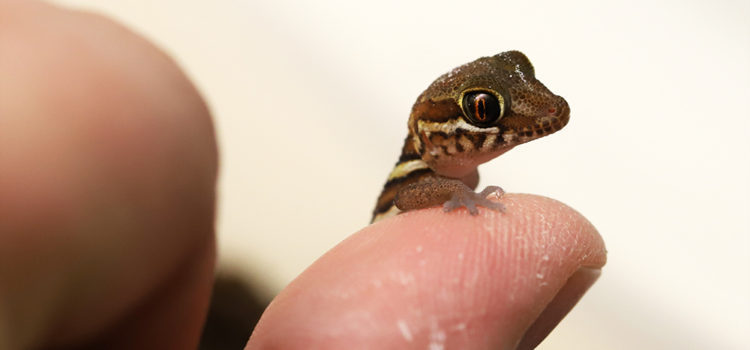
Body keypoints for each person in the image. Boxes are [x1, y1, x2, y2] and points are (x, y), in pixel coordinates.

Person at [0, 1, 607, 349]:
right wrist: (456, 195)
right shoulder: (424, 184)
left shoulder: (432, 178)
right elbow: (424, 196)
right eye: (486, 111)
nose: (538, 115)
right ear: (432, 134)